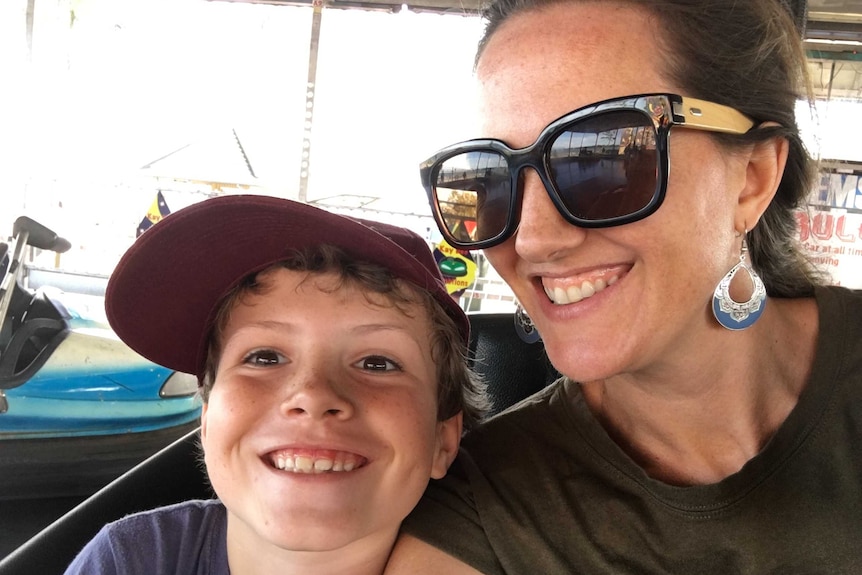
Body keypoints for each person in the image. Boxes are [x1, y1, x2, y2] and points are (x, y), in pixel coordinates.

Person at [386, 0, 862, 573]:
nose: (533, 240)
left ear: (752, 179)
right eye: (489, 177)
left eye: (603, 157)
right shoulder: (483, 510)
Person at [64, 194, 486, 575]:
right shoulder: (128, 561)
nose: (313, 395)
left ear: (442, 440)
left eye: (377, 363)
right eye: (264, 358)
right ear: (207, 421)